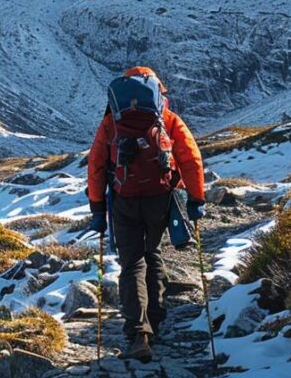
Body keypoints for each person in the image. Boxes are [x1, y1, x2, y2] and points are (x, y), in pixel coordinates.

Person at [85, 66, 205, 363]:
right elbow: (190, 158)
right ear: (157, 92)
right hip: (158, 198)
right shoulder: (167, 119)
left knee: (132, 263)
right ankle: (156, 320)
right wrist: (196, 199)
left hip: (124, 200)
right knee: (152, 253)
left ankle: (138, 333)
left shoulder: (112, 122)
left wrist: (97, 208)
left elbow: (97, 165)